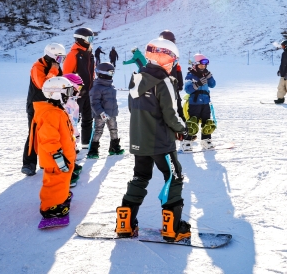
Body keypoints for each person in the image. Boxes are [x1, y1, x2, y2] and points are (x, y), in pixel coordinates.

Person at [115, 38, 190, 241]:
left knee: (140, 177)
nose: (173, 63)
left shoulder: (137, 79)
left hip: (139, 140)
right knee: (174, 177)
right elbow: (171, 114)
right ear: (165, 57)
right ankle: (173, 228)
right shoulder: (164, 82)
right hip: (161, 142)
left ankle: (125, 224)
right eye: (172, 59)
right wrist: (182, 129)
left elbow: (133, 109)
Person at [31, 76, 76, 219]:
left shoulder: (56, 110)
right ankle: (50, 207)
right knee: (54, 181)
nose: (69, 96)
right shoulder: (50, 113)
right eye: (66, 92)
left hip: (64, 154)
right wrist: (58, 155)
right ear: (56, 93)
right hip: (56, 157)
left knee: (62, 179)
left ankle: (60, 196)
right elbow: (48, 138)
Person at [22, 43, 66, 176]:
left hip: (50, 105)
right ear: (51, 55)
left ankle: (45, 162)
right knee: (34, 134)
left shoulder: (56, 66)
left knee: (50, 134)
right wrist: (53, 70)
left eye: (62, 58)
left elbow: (60, 83)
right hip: (36, 105)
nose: (60, 61)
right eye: (59, 58)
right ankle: (28, 163)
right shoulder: (38, 66)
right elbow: (44, 85)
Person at [63, 27, 95, 149]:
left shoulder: (90, 54)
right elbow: (66, 74)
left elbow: (91, 73)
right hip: (77, 94)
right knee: (73, 120)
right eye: (89, 38)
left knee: (88, 118)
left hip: (89, 92)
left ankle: (86, 145)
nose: (90, 41)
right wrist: (73, 91)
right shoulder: (73, 55)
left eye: (92, 38)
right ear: (81, 39)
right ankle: (71, 145)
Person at [88, 63, 123, 159]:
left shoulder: (111, 86)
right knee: (98, 131)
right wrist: (101, 113)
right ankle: (93, 150)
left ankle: (114, 147)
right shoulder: (96, 88)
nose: (111, 75)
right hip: (101, 115)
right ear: (103, 73)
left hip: (111, 114)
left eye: (113, 73)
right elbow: (94, 103)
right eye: (110, 73)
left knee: (114, 129)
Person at [184, 54, 217, 151]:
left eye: (205, 65)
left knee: (207, 122)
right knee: (192, 122)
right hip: (195, 103)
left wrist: (209, 76)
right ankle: (187, 142)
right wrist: (197, 84)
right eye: (201, 65)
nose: (203, 67)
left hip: (205, 102)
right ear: (195, 65)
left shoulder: (206, 74)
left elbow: (213, 85)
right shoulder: (190, 75)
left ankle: (206, 140)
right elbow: (187, 89)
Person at [63, 73, 84, 185]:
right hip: (67, 134)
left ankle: (71, 165)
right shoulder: (65, 102)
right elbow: (68, 122)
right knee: (66, 150)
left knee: (71, 150)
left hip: (73, 133)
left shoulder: (72, 100)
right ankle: (67, 175)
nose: (79, 90)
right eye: (78, 87)